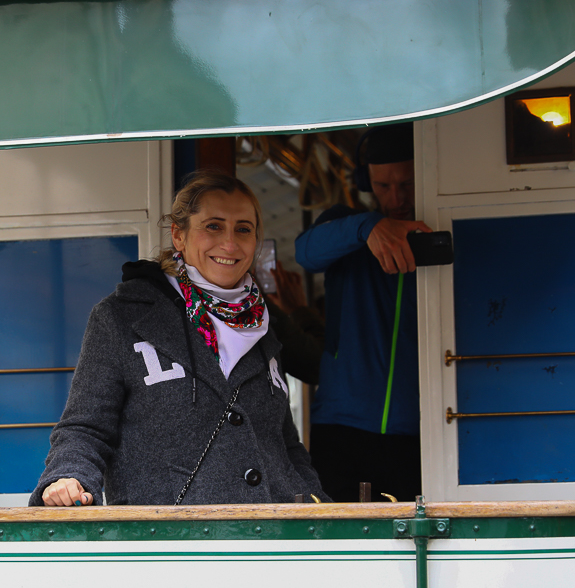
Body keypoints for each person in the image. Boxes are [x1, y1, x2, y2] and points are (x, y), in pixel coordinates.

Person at [31, 171, 327, 506]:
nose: (229, 243)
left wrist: (315, 501)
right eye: (213, 226)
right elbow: (85, 428)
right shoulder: (122, 318)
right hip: (169, 544)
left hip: (272, 541)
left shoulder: (264, 324)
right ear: (179, 235)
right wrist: (67, 476)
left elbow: (284, 444)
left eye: (243, 229)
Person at [294, 124, 433, 502]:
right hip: (341, 426)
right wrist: (368, 227)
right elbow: (304, 253)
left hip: (421, 430)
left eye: (406, 184)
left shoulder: (439, 235)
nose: (395, 197)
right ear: (366, 182)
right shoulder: (348, 230)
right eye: (383, 186)